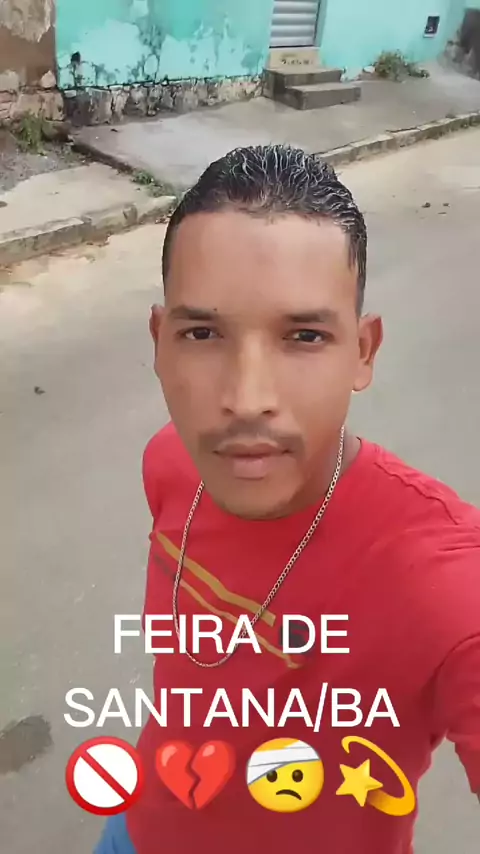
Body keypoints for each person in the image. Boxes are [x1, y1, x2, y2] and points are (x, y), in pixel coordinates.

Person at [95, 145, 480, 854]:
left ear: (363, 352)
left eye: (304, 336)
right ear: (159, 343)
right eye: (202, 334)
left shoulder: (446, 579)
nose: (246, 401)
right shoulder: (171, 463)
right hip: (137, 828)